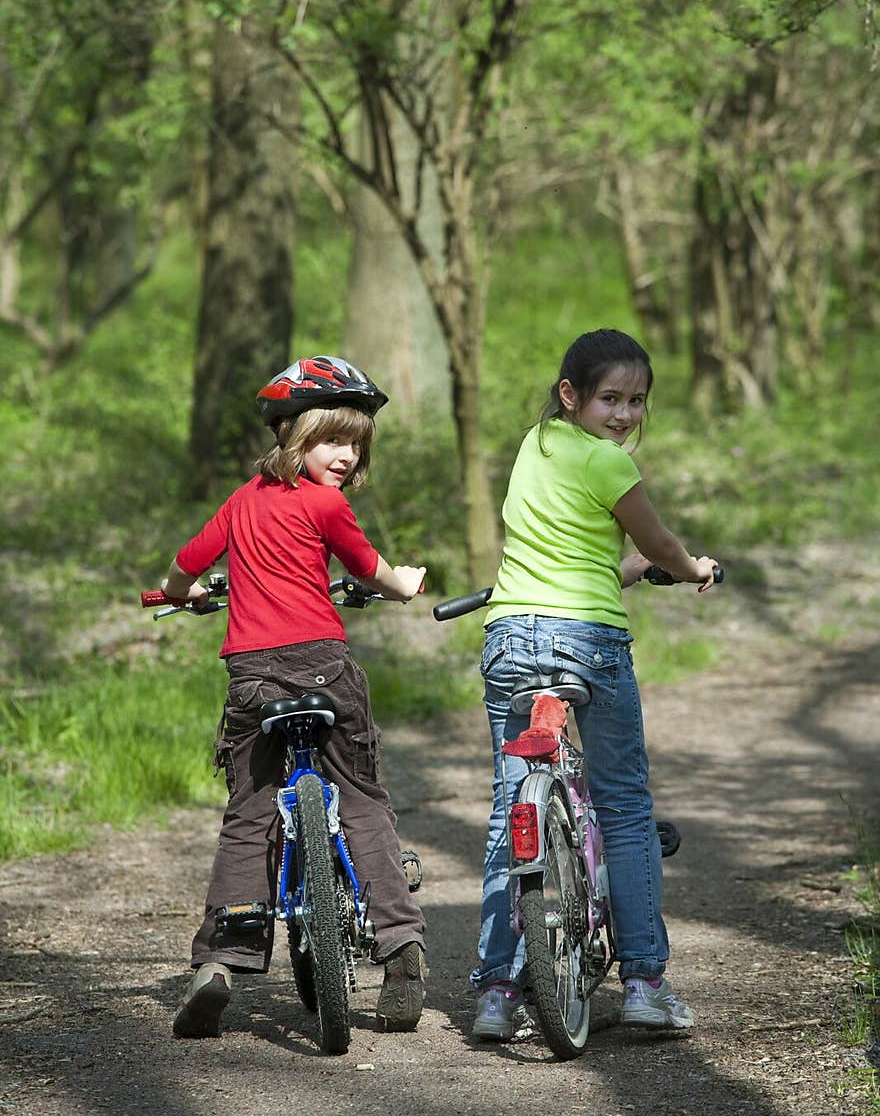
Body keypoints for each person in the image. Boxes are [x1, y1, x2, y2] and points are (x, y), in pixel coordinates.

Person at [160, 355, 428, 1040]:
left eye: (355, 444)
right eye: (331, 440)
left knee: (249, 814)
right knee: (362, 800)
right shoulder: (328, 506)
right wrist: (406, 583)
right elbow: (372, 571)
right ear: (291, 435)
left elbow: (183, 569)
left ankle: (219, 963)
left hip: (251, 677)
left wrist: (182, 596)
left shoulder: (239, 503)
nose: (344, 457)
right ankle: (401, 953)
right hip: (324, 669)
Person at [471, 328, 718, 1041]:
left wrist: (639, 569)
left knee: (505, 809)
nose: (624, 414)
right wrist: (692, 568)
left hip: (513, 635)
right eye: (610, 398)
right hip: (590, 644)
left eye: (637, 401)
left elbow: (582, 553)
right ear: (571, 394)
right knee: (624, 806)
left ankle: (496, 993)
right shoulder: (610, 464)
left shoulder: (535, 446)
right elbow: (657, 543)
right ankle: (645, 981)